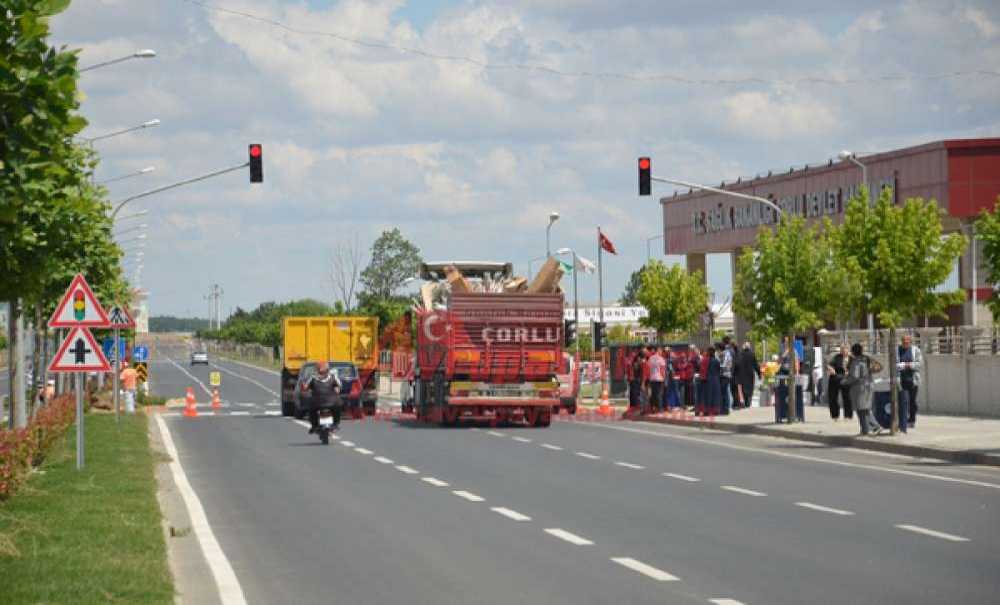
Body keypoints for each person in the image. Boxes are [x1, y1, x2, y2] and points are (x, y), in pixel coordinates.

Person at [843, 343, 881, 435]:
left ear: (853, 351)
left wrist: (844, 382)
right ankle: (869, 428)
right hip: (868, 385)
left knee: (862, 409)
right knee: (864, 408)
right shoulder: (866, 359)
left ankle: (870, 428)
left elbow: (854, 376)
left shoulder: (857, 362)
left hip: (859, 388)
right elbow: (877, 367)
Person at [303, 360, 342, 433]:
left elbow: (305, 387)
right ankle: (336, 424)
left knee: (311, 409)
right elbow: (339, 387)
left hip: (317, 404)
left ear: (317, 369)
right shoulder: (333, 377)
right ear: (328, 369)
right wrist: (337, 389)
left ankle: (314, 426)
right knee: (338, 406)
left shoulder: (312, 378)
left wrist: (305, 387)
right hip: (332, 403)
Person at [898, 334, 923, 428]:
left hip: (912, 380)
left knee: (912, 401)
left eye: (907, 342)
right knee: (903, 401)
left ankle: (912, 420)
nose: (905, 343)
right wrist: (899, 366)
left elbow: (920, 363)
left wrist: (907, 365)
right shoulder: (898, 350)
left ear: (910, 342)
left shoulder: (915, 350)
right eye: (903, 342)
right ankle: (904, 419)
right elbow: (894, 362)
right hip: (901, 379)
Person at [826, 344, 852, 421]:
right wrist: (831, 369)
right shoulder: (837, 357)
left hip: (846, 380)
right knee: (833, 398)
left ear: (848, 349)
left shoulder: (852, 359)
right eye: (842, 349)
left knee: (847, 398)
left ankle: (847, 416)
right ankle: (835, 415)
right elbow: (829, 365)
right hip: (835, 379)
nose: (843, 350)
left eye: (845, 349)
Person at [735, 342, 760, 409]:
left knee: (743, 388)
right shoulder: (752, 354)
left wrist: (735, 372)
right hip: (750, 374)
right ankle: (748, 402)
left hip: (742, 374)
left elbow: (737, 364)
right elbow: (756, 365)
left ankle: (743, 402)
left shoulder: (740, 354)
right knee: (750, 387)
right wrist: (759, 373)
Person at [647, 346, 666, 414]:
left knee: (653, 394)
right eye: (661, 351)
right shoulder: (661, 359)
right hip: (659, 378)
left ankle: (653, 408)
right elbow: (662, 370)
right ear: (659, 350)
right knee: (659, 394)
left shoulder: (650, 358)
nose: (661, 352)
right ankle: (660, 408)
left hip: (652, 378)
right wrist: (664, 378)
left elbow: (648, 369)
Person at [705, 346, 722, 416]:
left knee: (710, 394)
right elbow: (719, 369)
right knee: (715, 394)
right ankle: (716, 410)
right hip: (716, 379)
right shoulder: (716, 361)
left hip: (710, 378)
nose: (707, 352)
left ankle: (710, 410)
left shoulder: (708, 360)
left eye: (708, 351)